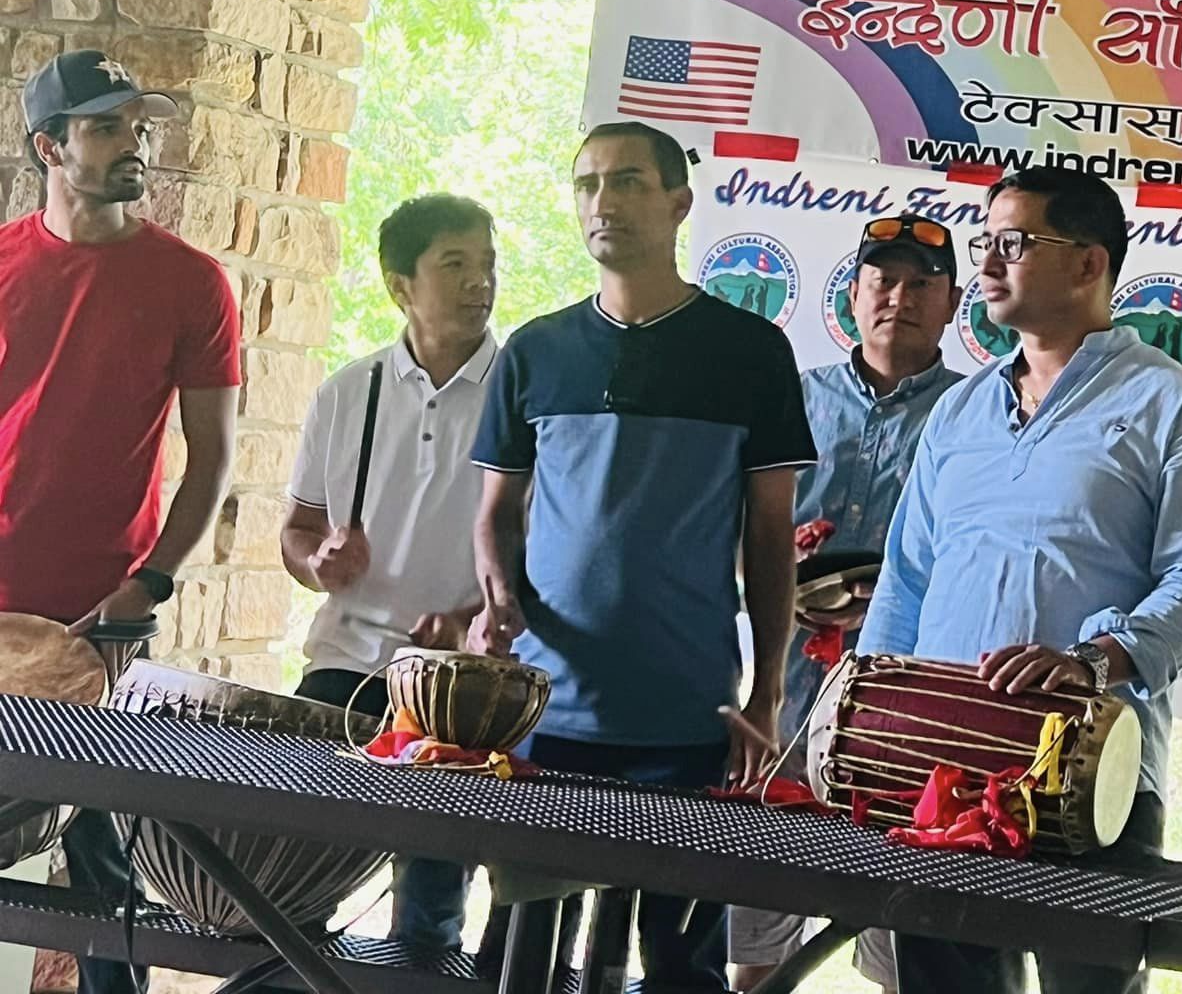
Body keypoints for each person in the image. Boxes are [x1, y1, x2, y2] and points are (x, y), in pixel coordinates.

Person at [859, 167, 1182, 994]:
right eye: (986, 242)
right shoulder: (959, 410)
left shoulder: (1171, 404)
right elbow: (907, 579)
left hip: (1090, 771)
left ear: (1089, 262)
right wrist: (870, 720)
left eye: (1015, 242)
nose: (987, 263)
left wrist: (1093, 661)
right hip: (941, 769)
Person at [468, 122, 813, 992]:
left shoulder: (751, 352)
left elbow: (770, 536)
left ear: (679, 202)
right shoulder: (536, 350)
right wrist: (499, 596)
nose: (603, 202)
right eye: (586, 184)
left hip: (690, 720)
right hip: (545, 717)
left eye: (626, 181)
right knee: (520, 964)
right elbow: (497, 514)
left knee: (677, 969)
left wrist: (767, 692)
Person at [0, 51, 240, 994]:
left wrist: (152, 582)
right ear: (48, 148)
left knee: (104, 872)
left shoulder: (193, 283)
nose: (133, 143)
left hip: (104, 617)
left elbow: (212, 461)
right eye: (106, 127)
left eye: (137, 125)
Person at [728, 213, 964, 994]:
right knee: (757, 936)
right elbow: (735, 529)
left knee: (904, 949)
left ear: (953, 303)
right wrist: (779, 577)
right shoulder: (793, 398)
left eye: (922, 284)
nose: (900, 297)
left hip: (911, 712)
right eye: (882, 281)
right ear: (853, 296)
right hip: (782, 695)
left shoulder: (977, 415)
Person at [281, 194, 498, 953]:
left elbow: (547, 552)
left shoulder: (522, 396)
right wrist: (317, 562)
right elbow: (298, 530)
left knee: (429, 915)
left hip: (456, 689)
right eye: (455, 264)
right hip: (345, 665)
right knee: (287, 888)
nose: (479, 281)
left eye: (487, 263)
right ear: (398, 284)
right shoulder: (348, 392)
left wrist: (474, 617)